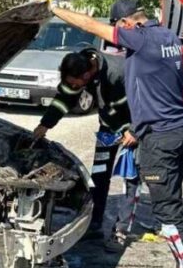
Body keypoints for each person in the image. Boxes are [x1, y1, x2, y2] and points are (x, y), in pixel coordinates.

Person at [45, 0, 183, 268]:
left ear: (128, 23)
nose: (120, 41)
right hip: (180, 131)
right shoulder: (169, 37)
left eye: (120, 30)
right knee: (171, 204)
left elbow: (90, 24)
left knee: (166, 211)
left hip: (159, 138)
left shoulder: (140, 39)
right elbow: (181, 85)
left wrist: (53, 8)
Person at [31, 47, 136, 247]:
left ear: (87, 74)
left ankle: (121, 229)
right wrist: (45, 125)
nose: (72, 86)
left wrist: (133, 131)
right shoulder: (79, 68)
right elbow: (63, 100)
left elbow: (136, 103)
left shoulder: (117, 72)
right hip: (109, 129)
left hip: (134, 128)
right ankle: (94, 224)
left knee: (131, 177)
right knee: (99, 174)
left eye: (74, 82)